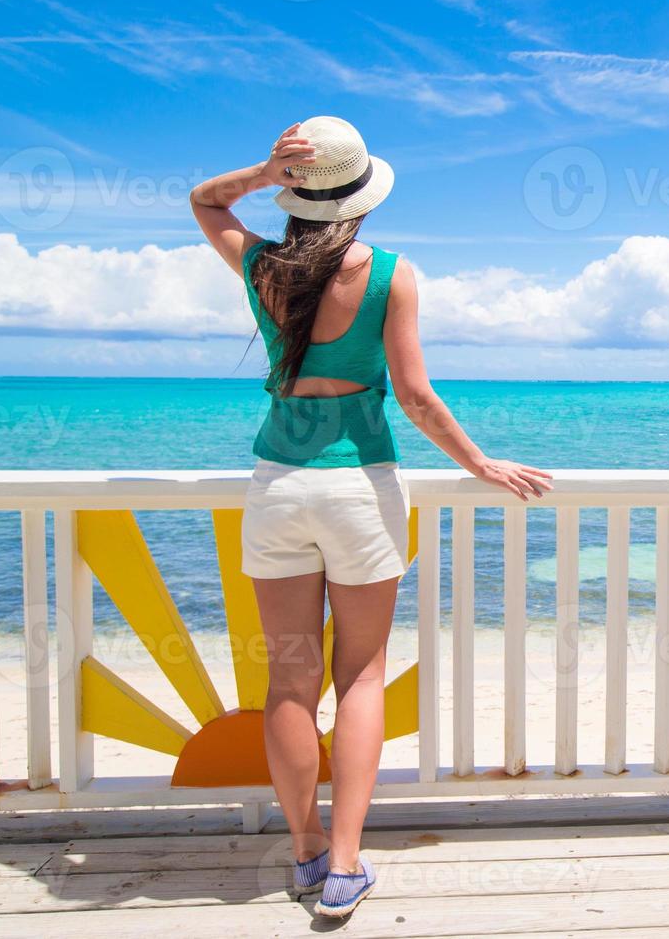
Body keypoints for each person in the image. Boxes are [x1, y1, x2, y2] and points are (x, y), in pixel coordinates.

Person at [191, 116, 552, 919]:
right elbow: (416, 397)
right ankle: (348, 863)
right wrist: (482, 464)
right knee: (358, 675)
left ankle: (306, 851)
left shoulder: (261, 267)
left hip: (278, 488)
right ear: (360, 195)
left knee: (289, 680)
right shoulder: (389, 274)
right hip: (360, 492)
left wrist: (261, 172)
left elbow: (203, 203)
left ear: (295, 191)